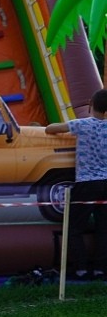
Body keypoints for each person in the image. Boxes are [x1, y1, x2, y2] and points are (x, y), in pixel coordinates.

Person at [45, 88, 107, 280]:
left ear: (90, 106)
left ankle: (80, 268)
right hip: (106, 183)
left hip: (86, 183)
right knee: (103, 228)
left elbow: (51, 129)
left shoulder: (82, 124)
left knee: (74, 228)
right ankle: (100, 269)